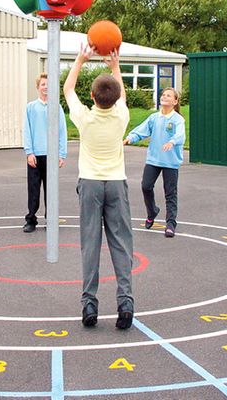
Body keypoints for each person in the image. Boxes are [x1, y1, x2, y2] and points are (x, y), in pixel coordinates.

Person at [63, 44, 134, 330]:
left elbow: (68, 89)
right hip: (116, 183)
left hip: (90, 183)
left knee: (90, 244)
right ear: (115, 99)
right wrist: (115, 65)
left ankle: (89, 305)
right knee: (121, 244)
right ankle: (125, 303)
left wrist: (80, 59)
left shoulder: (84, 117)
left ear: (92, 96)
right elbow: (121, 94)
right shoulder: (122, 116)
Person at [124, 87, 185, 237]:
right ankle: (152, 211)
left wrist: (172, 142)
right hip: (154, 160)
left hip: (170, 162)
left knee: (170, 193)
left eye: (168, 95)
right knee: (146, 186)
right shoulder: (154, 118)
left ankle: (171, 224)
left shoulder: (178, 120)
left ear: (175, 101)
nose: (164, 97)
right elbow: (142, 130)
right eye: (163, 95)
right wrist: (130, 138)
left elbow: (180, 135)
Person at [22, 73, 67, 233]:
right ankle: (31, 219)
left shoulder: (57, 107)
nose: (46, 87)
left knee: (51, 191)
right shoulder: (30, 107)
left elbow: (62, 131)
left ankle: (51, 220)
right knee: (33, 189)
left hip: (52, 156)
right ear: (37, 87)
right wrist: (29, 152)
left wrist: (62, 154)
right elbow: (27, 131)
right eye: (43, 84)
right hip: (35, 156)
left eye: (48, 84)